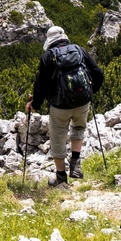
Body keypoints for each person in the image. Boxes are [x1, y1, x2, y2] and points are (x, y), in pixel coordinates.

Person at [25, 25, 104, 187]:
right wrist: (90, 91)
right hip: (83, 101)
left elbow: (41, 85)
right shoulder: (79, 50)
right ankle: (75, 164)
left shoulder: (48, 57)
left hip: (60, 106)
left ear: (50, 41)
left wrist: (35, 104)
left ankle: (61, 178)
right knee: (79, 128)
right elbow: (98, 73)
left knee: (58, 137)